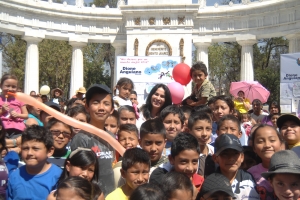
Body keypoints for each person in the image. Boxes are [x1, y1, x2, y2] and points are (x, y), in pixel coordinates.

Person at [70, 84, 115, 196]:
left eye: (106, 103)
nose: (101, 108)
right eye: (96, 102)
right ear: (87, 107)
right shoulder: (81, 138)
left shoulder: (112, 137)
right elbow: (78, 176)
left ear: (112, 109)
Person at [7, 125, 62, 200]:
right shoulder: (15, 175)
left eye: (35, 148)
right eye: (25, 148)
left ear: (50, 151)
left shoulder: (59, 177)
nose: (29, 153)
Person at [150, 133, 204, 200]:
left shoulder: (201, 184)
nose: (190, 168)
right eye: (184, 161)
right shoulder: (161, 181)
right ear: (171, 159)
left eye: (194, 161)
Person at [213, 134, 259, 200]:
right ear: (215, 158)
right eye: (225, 154)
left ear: (242, 157)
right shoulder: (211, 182)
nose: (231, 158)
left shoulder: (248, 179)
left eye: (235, 153)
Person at [247, 124, 284, 200]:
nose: (267, 145)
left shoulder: (292, 169)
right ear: (254, 148)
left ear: (281, 144)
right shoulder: (250, 174)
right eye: (260, 141)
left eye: (272, 140)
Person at [0, 74, 28, 139]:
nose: (10, 89)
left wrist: (18, 115)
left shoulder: (19, 99)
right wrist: (2, 110)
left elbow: (26, 115)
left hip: (17, 128)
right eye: (7, 86)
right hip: (2, 127)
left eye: (13, 87)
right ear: (1, 86)